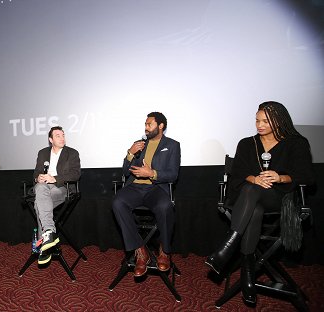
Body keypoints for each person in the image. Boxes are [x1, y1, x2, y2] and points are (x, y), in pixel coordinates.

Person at [205, 101, 314, 304]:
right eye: (257, 120)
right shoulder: (247, 143)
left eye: (265, 120)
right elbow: (237, 173)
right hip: (249, 199)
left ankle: (226, 250)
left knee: (252, 194)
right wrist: (254, 179)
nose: (259, 124)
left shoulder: (296, 143)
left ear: (279, 120)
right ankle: (248, 273)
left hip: (279, 196)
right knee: (253, 203)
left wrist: (279, 177)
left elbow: (306, 175)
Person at [112, 112, 181, 277]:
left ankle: (164, 251)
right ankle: (140, 250)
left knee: (164, 206)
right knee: (117, 202)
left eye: (149, 124)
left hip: (156, 188)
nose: (146, 127)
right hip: (135, 187)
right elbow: (125, 172)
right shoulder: (140, 144)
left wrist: (151, 173)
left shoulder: (172, 145)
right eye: (145, 124)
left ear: (161, 126)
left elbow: (173, 174)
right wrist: (130, 153)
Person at [32, 126, 81, 265]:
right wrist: (38, 178)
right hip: (44, 188)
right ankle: (49, 233)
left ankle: (45, 244)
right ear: (50, 139)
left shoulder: (72, 153)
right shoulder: (42, 153)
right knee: (40, 187)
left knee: (38, 203)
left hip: (62, 187)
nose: (62, 138)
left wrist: (55, 178)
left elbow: (76, 174)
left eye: (63, 135)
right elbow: (35, 173)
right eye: (58, 136)